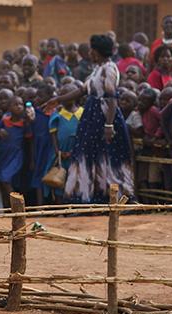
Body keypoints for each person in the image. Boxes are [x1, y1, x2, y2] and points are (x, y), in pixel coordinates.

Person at [44, 34, 135, 203]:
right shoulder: (98, 69)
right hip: (92, 117)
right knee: (90, 155)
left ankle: (115, 197)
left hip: (104, 117)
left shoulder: (109, 68)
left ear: (97, 51)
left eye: (92, 50)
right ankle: (88, 196)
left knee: (108, 157)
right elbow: (81, 91)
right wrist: (57, 99)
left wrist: (109, 125)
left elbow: (111, 98)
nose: (90, 53)